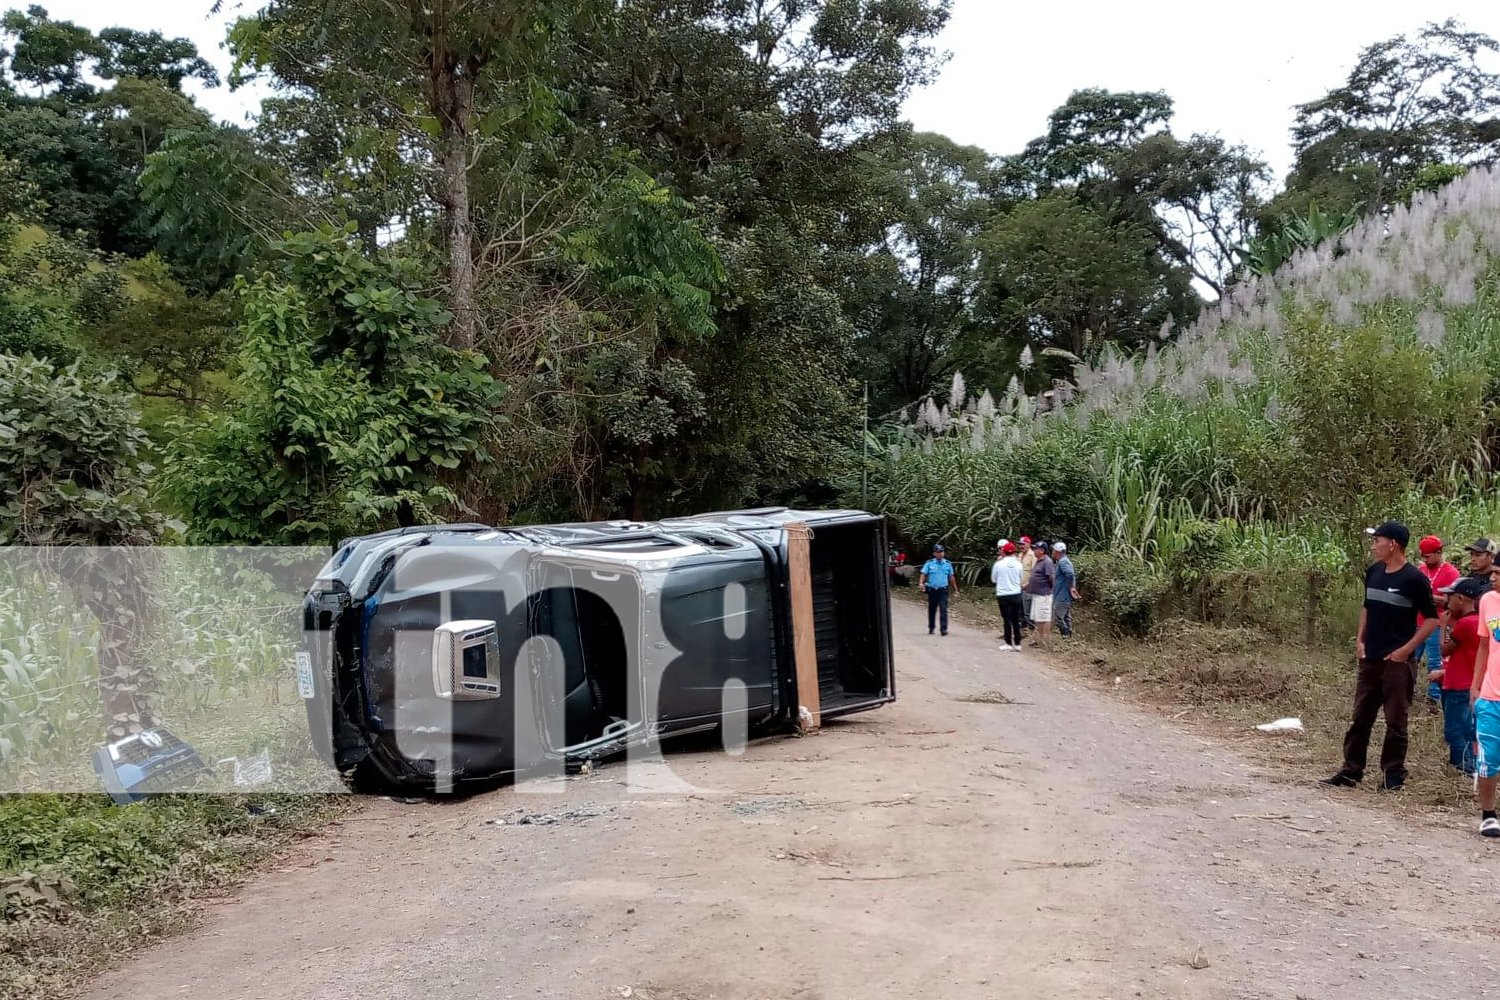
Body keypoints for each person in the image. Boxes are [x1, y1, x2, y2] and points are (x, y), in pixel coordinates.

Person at [1322, 520, 1438, 792]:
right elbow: (1367, 607)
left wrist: (1406, 650)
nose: (1374, 546)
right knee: (1360, 717)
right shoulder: (1374, 572)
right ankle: (1351, 770)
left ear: (1393, 544)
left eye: (1378, 541)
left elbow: (1433, 620)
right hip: (1370, 659)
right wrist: (1360, 640)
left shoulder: (1414, 579)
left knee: (1396, 720)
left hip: (1397, 664)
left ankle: (1393, 774)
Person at [1430, 577, 1482, 775]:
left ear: (1461, 599)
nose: (1446, 601)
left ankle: (1463, 767)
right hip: (1469, 683)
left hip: (1458, 685)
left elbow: (1444, 650)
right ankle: (1469, 765)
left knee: (1454, 730)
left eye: (1449, 597)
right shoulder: (1478, 621)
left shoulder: (1466, 624)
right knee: (1468, 729)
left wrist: (1442, 625)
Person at [1469, 564, 1500, 836]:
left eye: (1498, 574)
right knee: (1488, 758)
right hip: (1491, 695)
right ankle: (1488, 814)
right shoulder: (1488, 601)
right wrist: (1475, 685)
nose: (1492, 578)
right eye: (1493, 572)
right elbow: (1483, 645)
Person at [1417, 536, 1460, 706]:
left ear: (1439, 553)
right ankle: (1405, 691)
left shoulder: (1452, 573)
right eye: (1423, 556)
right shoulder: (1420, 570)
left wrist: (1429, 598)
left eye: (1428, 556)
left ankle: (1434, 699)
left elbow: (1454, 601)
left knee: (1435, 661)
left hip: (1437, 624)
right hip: (1417, 622)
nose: (1425, 560)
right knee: (1410, 658)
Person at [991, 541, 1024, 651]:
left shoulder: (999, 564)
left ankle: (1008, 643)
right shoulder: (1019, 564)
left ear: (1003, 552)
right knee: (1016, 619)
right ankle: (1018, 644)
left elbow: (994, 579)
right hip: (1016, 594)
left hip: (1003, 594)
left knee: (1007, 619)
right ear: (1014, 552)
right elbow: (1021, 577)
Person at [919, 543, 958, 636]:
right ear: (934, 553)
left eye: (942, 551)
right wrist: (921, 583)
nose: (940, 554)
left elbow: (951, 577)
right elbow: (923, 574)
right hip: (932, 590)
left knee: (943, 609)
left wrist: (955, 589)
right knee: (932, 609)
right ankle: (931, 628)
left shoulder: (947, 564)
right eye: (938, 552)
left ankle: (943, 629)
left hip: (943, 590)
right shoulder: (929, 563)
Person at [1026, 541, 1056, 647]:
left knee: (1044, 617)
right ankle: (1040, 639)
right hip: (1037, 594)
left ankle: (1044, 640)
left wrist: (1049, 587)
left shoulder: (1047, 561)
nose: (1034, 550)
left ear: (1042, 550)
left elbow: (1051, 577)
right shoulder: (1039, 561)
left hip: (1044, 594)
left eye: (1036, 549)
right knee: (1038, 617)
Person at [1052, 542, 1079, 637]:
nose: (1052, 552)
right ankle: (1069, 637)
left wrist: (1071, 587)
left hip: (1063, 594)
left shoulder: (1063, 562)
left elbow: (1070, 574)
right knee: (1066, 617)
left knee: (1058, 617)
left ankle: (1066, 635)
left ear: (1057, 552)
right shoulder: (1063, 561)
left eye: (1054, 550)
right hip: (1061, 593)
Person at [1018, 537, 1037, 629]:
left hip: (1028, 587)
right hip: (1019, 586)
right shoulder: (1020, 555)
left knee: (1028, 610)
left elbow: (1034, 573)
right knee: (1019, 609)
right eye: (1020, 544)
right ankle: (1022, 627)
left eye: (1023, 544)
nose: (1021, 546)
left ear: (1029, 544)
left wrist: (1029, 584)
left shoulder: (1033, 556)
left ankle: (1031, 628)